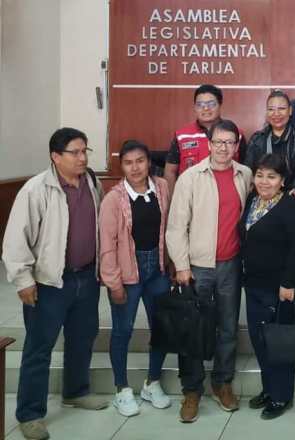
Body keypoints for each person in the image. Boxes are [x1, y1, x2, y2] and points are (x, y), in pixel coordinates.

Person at [2, 127, 107, 440]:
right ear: (55, 156)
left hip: (86, 277)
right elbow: (15, 241)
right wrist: (23, 280)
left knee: (82, 337)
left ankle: (76, 391)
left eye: (85, 150)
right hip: (49, 282)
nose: (82, 157)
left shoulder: (92, 182)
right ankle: (30, 413)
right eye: (75, 152)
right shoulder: (36, 189)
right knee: (39, 348)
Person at [166, 119, 252, 423]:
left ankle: (222, 382)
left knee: (227, 329)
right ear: (209, 143)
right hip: (197, 268)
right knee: (192, 332)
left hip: (231, 266)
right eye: (218, 142)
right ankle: (192, 390)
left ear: (237, 145)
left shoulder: (245, 175)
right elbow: (176, 227)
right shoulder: (190, 178)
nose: (223, 148)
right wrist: (182, 267)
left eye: (230, 142)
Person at [99, 140, 172, 417]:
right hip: (127, 272)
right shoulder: (113, 199)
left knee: (161, 328)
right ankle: (121, 388)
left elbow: (169, 229)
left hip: (158, 271)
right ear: (122, 167)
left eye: (140, 160)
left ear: (148, 161)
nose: (135, 167)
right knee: (122, 331)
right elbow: (106, 244)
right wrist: (113, 282)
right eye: (128, 162)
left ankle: (152, 382)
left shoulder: (162, 187)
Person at [241, 153, 295, 420]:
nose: (264, 181)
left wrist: (288, 283)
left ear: (282, 181)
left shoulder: (291, 206)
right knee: (259, 342)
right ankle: (269, 389)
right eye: (260, 175)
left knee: (278, 345)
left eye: (271, 176)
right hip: (254, 285)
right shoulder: (252, 201)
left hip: (279, 288)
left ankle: (282, 396)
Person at [163, 84, 246, 193]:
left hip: (227, 196)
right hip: (191, 197)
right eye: (200, 104)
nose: (205, 108)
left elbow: (245, 171)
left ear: (220, 105)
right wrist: (173, 203)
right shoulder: (182, 136)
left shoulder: (236, 134)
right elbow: (170, 172)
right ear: (194, 107)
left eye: (211, 104)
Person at [245, 90, 295, 196]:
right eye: (271, 109)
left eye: (281, 109)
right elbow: (248, 170)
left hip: (294, 194)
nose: (276, 114)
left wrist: (294, 187)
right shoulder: (257, 139)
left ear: (290, 111)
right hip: (264, 196)